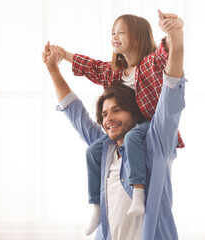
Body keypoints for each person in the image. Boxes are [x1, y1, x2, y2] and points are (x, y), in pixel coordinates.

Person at [42, 10, 186, 240]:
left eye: (117, 110)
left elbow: (171, 88)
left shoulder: (155, 144)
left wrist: (175, 36)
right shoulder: (106, 148)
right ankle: (95, 208)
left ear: (134, 110)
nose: (108, 118)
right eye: (105, 113)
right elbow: (75, 112)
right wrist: (53, 68)